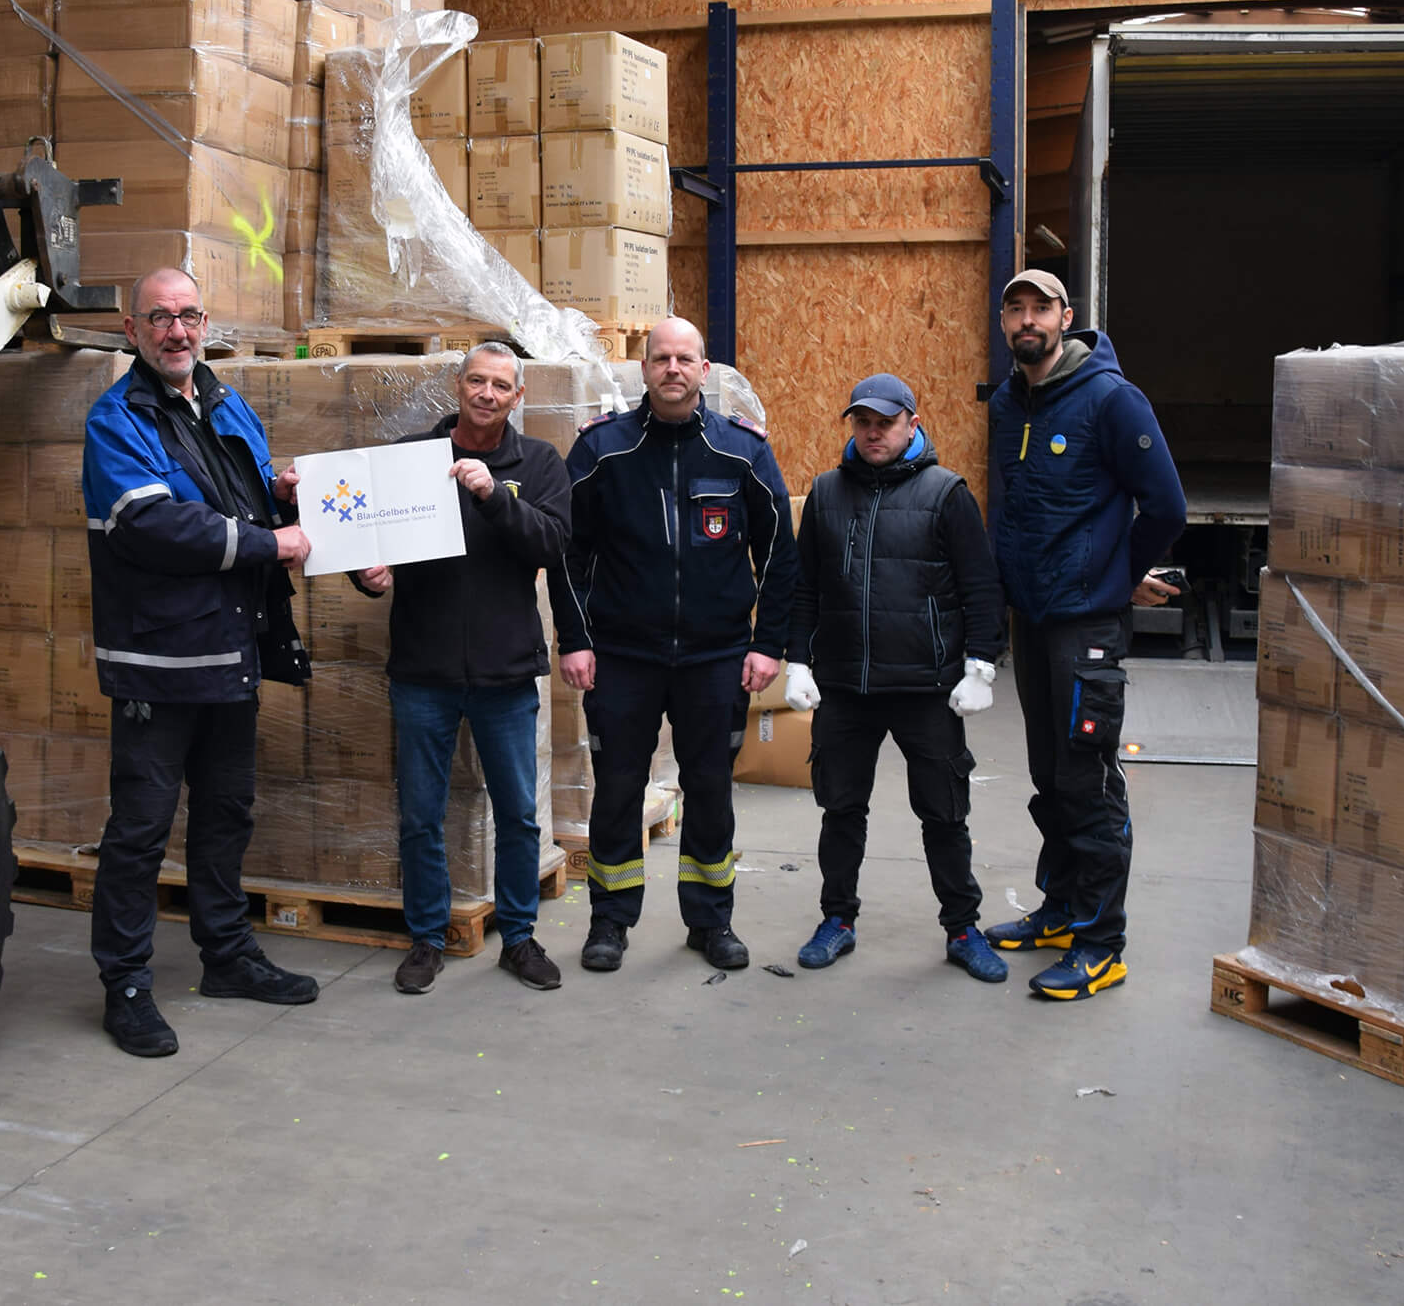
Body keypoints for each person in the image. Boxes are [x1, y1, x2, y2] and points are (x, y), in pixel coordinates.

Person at [81, 267, 319, 1058]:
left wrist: (282, 495)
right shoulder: (117, 420)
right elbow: (154, 525)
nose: (176, 331)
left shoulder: (223, 400)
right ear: (133, 331)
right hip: (159, 663)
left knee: (226, 814)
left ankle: (227, 955)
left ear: (206, 321)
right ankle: (128, 984)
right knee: (141, 830)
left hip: (230, 654)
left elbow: (245, 500)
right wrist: (268, 541)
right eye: (159, 318)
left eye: (187, 316)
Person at [550, 317, 799, 973]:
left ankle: (712, 921)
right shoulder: (603, 450)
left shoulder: (741, 451)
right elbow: (567, 554)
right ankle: (609, 920)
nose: (672, 369)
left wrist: (767, 643)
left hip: (715, 658)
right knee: (617, 789)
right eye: (661, 358)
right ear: (644, 367)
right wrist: (574, 640)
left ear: (704, 370)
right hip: (622, 656)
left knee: (712, 790)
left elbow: (779, 552)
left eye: (685, 358)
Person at [980, 269, 1187, 1001]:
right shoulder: (1009, 402)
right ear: (1005, 322)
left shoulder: (1109, 398)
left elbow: (1166, 503)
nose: (1028, 319)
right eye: (1016, 308)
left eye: (1041, 307)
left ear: (1066, 317)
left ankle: (1102, 942)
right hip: (1033, 620)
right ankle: (1063, 910)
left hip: (1087, 623)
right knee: (1049, 773)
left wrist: (1117, 573)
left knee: (1088, 779)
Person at [351, 344, 572, 996]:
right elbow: (370, 538)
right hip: (424, 668)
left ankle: (521, 936)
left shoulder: (539, 463)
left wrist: (492, 495)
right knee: (421, 812)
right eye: (476, 379)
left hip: (505, 673)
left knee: (518, 812)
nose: (486, 392)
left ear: (517, 396)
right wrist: (366, 575)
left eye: (501, 385)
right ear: (459, 385)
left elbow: (553, 543)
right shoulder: (413, 459)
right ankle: (427, 937)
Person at [782, 373, 1009, 983]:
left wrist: (981, 666)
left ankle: (963, 929)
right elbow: (805, 588)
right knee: (841, 809)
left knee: (943, 813)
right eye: (863, 421)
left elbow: (981, 588)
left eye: (886, 421)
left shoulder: (946, 493)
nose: (873, 432)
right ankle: (838, 920)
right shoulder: (826, 493)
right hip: (848, 689)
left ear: (912, 421)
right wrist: (797, 660)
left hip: (927, 688)